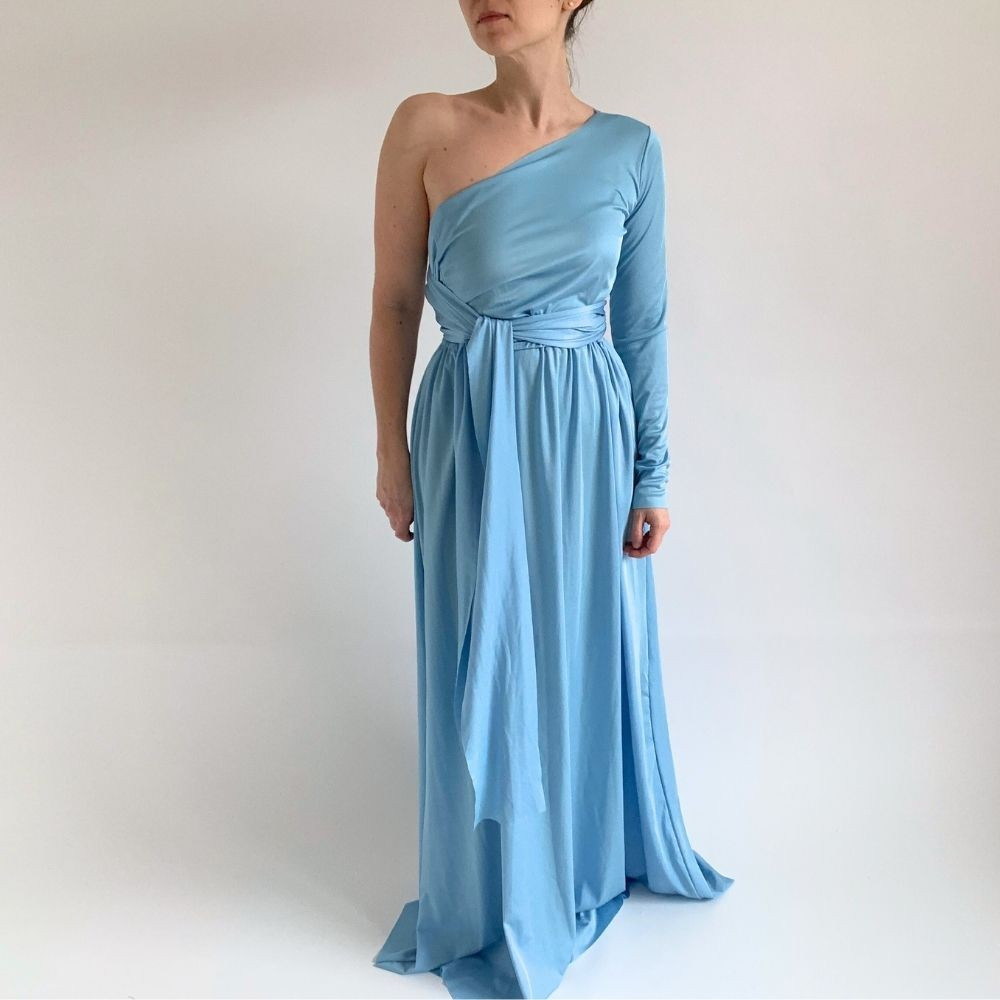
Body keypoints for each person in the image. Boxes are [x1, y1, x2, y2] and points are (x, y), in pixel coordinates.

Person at [368, 2, 733, 996]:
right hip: (468, 425)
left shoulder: (629, 149)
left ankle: (570, 861)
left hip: (584, 436)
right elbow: (395, 301)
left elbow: (641, 324)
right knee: (472, 640)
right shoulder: (425, 124)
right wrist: (392, 450)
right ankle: (484, 884)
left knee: (575, 643)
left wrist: (652, 473)